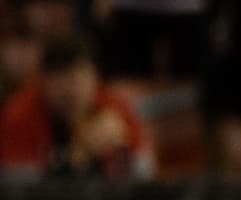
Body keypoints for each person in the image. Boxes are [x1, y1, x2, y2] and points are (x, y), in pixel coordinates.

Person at [0, 35, 153, 179]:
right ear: (43, 82)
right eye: (59, 83)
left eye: (78, 81)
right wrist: (75, 158)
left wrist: (123, 150)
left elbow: (145, 174)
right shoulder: (20, 115)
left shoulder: (115, 109)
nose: (70, 92)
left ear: (94, 78)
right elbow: (19, 191)